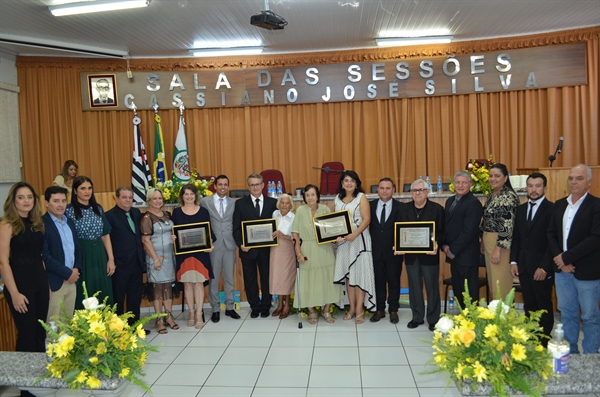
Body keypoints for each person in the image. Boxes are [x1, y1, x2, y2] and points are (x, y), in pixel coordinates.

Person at [548, 164, 600, 354]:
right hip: (563, 272)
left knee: (590, 316)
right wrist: (560, 260)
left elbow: (595, 239)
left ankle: (591, 355)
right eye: (571, 178)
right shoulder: (560, 204)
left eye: (579, 178)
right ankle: (571, 352)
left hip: (587, 272)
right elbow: (551, 233)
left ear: (589, 182)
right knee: (567, 314)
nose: (574, 182)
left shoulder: (596, 205)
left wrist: (566, 258)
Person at [0, 182, 48, 354]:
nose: (26, 201)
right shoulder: (7, 224)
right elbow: (3, 262)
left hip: (40, 283)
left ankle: (40, 376)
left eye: (29, 197)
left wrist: (46, 285)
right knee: (27, 334)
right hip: (20, 286)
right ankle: (24, 378)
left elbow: (39, 256)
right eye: (21, 197)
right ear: (13, 201)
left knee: (40, 332)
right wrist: (14, 293)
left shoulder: (37, 223)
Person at [509, 173, 554, 346]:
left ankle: (543, 340)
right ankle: (530, 336)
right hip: (524, 266)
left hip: (542, 267)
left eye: (537, 186)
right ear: (526, 188)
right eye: (530, 186)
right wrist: (514, 262)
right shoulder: (520, 210)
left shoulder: (552, 209)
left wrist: (544, 267)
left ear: (545, 188)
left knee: (543, 303)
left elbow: (553, 242)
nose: (533, 190)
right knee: (529, 303)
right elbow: (517, 238)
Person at [292, 184, 343, 324]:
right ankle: (312, 312)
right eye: (307, 195)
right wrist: (298, 253)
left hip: (325, 249)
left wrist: (336, 237)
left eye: (313, 194)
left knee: (327, 279)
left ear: (317, 196)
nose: (310, 197)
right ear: (304, 197)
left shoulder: (325, 209)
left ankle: (326, 310)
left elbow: (332, 230)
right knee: (307, 281)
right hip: (307, 249)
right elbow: (295, 234)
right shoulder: (300, 211)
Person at [398, 179, 444, 331]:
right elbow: (398, 231)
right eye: (414, 191)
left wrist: (437, 243)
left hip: (430, 255)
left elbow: (444, 231)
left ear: (427, 191)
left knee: (432, 287)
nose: (417, 193)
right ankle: (417, 317)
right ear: (411, 193)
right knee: (415, 287)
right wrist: (398, 244)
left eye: (420, 190)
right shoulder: (404, 210)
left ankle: (433, 319)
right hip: (411, 256)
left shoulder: (437, 209)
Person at [65, 176, 115, 309]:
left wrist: (111, 259)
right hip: (82, 256)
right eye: (82, 188)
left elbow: (105, 235)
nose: (87, 191)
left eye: (89, 188)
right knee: (85, 291)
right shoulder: (68, 211)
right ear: (75, 191)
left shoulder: (97, 208)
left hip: (99, 255)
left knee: (102, 290)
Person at [334, 170, 376, 324]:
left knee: (359, 275)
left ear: (357, 183)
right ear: (342, 183)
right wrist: (336, 236)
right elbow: (336, 222)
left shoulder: (361, 197)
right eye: (346, 180)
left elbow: (366, 220)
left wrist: (355, 234)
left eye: (352, 180)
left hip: (360, 241)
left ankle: (359, 309)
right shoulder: (337, 199)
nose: (349, 183)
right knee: (348, 275)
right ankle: (351, 308)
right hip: (344, 243)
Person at [233, 173, 277, 318]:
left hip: (267, 249)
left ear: (263, 185)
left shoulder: (273, 202)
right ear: (248, 187)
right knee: (249, 279)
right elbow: (236, 227)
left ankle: (266, 306)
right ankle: (254, 307)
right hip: (248, 249)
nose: (255, 187)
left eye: (258, 184)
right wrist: (240, 244)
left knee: (266, 278)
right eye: (252, 185)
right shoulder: (240, 203)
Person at [172, 184, 215, 329]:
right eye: (186, 194)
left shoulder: (203, 211)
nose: (189, 197)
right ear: (182, 196)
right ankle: (191, 312)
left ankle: (199, 313)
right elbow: (175, 232)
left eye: (191, 194)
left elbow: (208, 231)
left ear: (196, 195)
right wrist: (173, 238)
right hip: (184, 255)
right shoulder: (176, 212)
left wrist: (210, 245)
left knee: (198, 283)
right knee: (187, 284)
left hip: (200, 254)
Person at [200, 175, 241, 323]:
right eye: (220, 184)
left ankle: (230, 307)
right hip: (214, 245)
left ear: (228, 187)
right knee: (214, 279)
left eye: (225, 184)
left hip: (229, 245)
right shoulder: (205, 202)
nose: (223, 187)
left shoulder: (233, 203)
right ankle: (215, 309)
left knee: (230, 278)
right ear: (215, 186)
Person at [441, 171, 483, 308]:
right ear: (453, 184)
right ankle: (463, 321)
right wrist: (444, 246)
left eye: (464, 182)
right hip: (454, 255)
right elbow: (446, 226)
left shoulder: (473, 203)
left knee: (469, 293)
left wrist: (452, 250)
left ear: (470, 185)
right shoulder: (450, 201)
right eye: (458, 182)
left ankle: (472, 321)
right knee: (459, 290)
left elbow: (469, 231)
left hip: (467, 256)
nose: (460, 185)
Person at [105, 187, 146, 328]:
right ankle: (119, 329)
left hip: (136, 262)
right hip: (119, 264)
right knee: (118, 298)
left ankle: (134, 326)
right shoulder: (109, 216)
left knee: (135, 296)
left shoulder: (136, 212)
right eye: (124, 197)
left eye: (130, 197)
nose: (128, 200)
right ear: (116, 198)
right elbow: (107, 240)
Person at [141, 188, 179, 334]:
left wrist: (174, 238)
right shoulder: (146, 219)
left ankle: (169, 316)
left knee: (168, 286)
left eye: (160, 198)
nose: (158, 201)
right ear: (149, 201)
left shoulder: (167, 215)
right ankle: (159, 319)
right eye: (154, 198)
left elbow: (171, 232)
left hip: (169, 256)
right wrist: (156, 259)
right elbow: (145, 240)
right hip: (155, 258)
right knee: (157, 287)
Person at [479, 163, 519, 300]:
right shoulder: (492, 194)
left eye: (497, 176)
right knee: (492, 282)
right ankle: (495, 317)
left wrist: (498, 248)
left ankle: (503, 317)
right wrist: (483, 241)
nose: (493, 179)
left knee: (500, 284)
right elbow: (487, 219)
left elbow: (507, 225)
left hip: (500, 244)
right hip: (488, 240)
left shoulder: (508, 196)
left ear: (505, 178)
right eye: (491, 176)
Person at [42, 186, 82, 320]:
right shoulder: (41, 224)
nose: (61, 205)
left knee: (67, 326)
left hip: (71, 282)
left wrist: (76, 270)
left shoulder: (68, 221)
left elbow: (77, 249)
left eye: (63, 201)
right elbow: (45, 256)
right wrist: (67, 273)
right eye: (56, 201)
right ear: (47, 203)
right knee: (52, 328)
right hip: (55, 283)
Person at [369, 178, 404, 324]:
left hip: (394, 252)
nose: (384, 190)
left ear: (393, 190)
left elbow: (404, 230)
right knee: (378, 281)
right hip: (375, 251)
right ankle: (380, 309)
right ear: (377, 189)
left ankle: (393, 310)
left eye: (388, 188)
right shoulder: (369, 206)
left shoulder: (401, 207)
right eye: (382, 188)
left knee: (394, 281)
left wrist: (400, 246)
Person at [269, 194, 296, 319]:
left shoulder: (294, 217)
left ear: (291, 205)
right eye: (282, 203)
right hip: (275, 250)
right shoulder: (274, 214)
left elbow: (296, 238)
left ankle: (287, 305)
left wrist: (282, 235)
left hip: (288, 250)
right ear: (279, 204)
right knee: (277, 278)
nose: (284, 205)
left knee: (287, 278)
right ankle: (279, 304)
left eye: (287, 203)